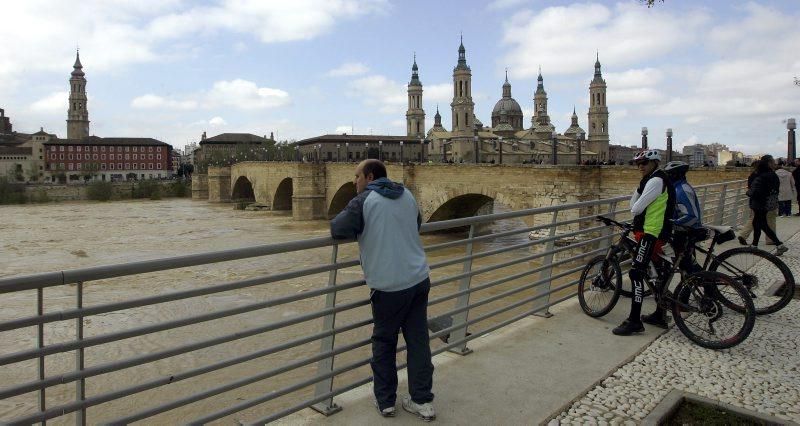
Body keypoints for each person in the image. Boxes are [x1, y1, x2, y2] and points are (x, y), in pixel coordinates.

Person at [330, 159, 436, 421]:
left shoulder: (365, 200)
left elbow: (337, 228)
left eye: (356, 176)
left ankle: (386, 401)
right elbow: (417, 223)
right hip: (419, 278)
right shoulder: (407, 194)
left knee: (385, 343)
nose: (354, 182)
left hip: (389, 285)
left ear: (369, 176)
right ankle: (422, 401)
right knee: (418, 341)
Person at [613, 149, 676, 336]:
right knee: (659, 271)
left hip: (651, 233)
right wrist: (639, 193)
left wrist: (637, 202)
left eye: (644, 163)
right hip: (656, 232)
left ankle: (634, 321)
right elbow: (637, 201)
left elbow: (636, 208)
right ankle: (660, 313)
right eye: (637, 164)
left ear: (654, 163)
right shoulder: (652, 179)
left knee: (636, 273)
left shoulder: (656, 181)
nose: (640, 167)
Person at [749, 159, 788, 255]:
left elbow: (755, 191)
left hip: (759, 203)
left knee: (762, 224)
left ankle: (779, 245)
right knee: (756, 223)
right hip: (769, 203)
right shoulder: (773, 175)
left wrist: (748, 192)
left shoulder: (761, 177)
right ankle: (754, 245)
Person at [737, 160, 760, 245]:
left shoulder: (752, 176)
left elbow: (750, 188)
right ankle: (743, 235)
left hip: (754, 200)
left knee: (755, 218)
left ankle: (744, 235)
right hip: (761, 201)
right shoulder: (762, 176)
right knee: (758, 219)